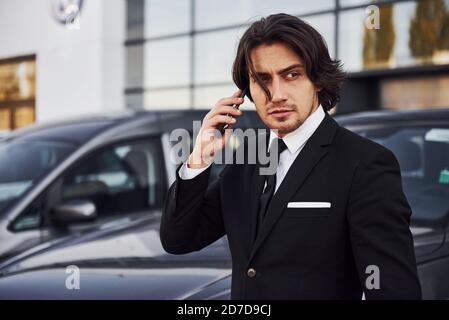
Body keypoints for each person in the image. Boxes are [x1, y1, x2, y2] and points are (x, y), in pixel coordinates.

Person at [160, 13, 422, 300]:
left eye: (292, 75)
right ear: (246, 92)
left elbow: (393, 290)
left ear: (318, 80)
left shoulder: (365, 164)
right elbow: (178, 239)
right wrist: (198, 160)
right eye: (262, 79)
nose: (276, 94)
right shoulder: (248, 157)